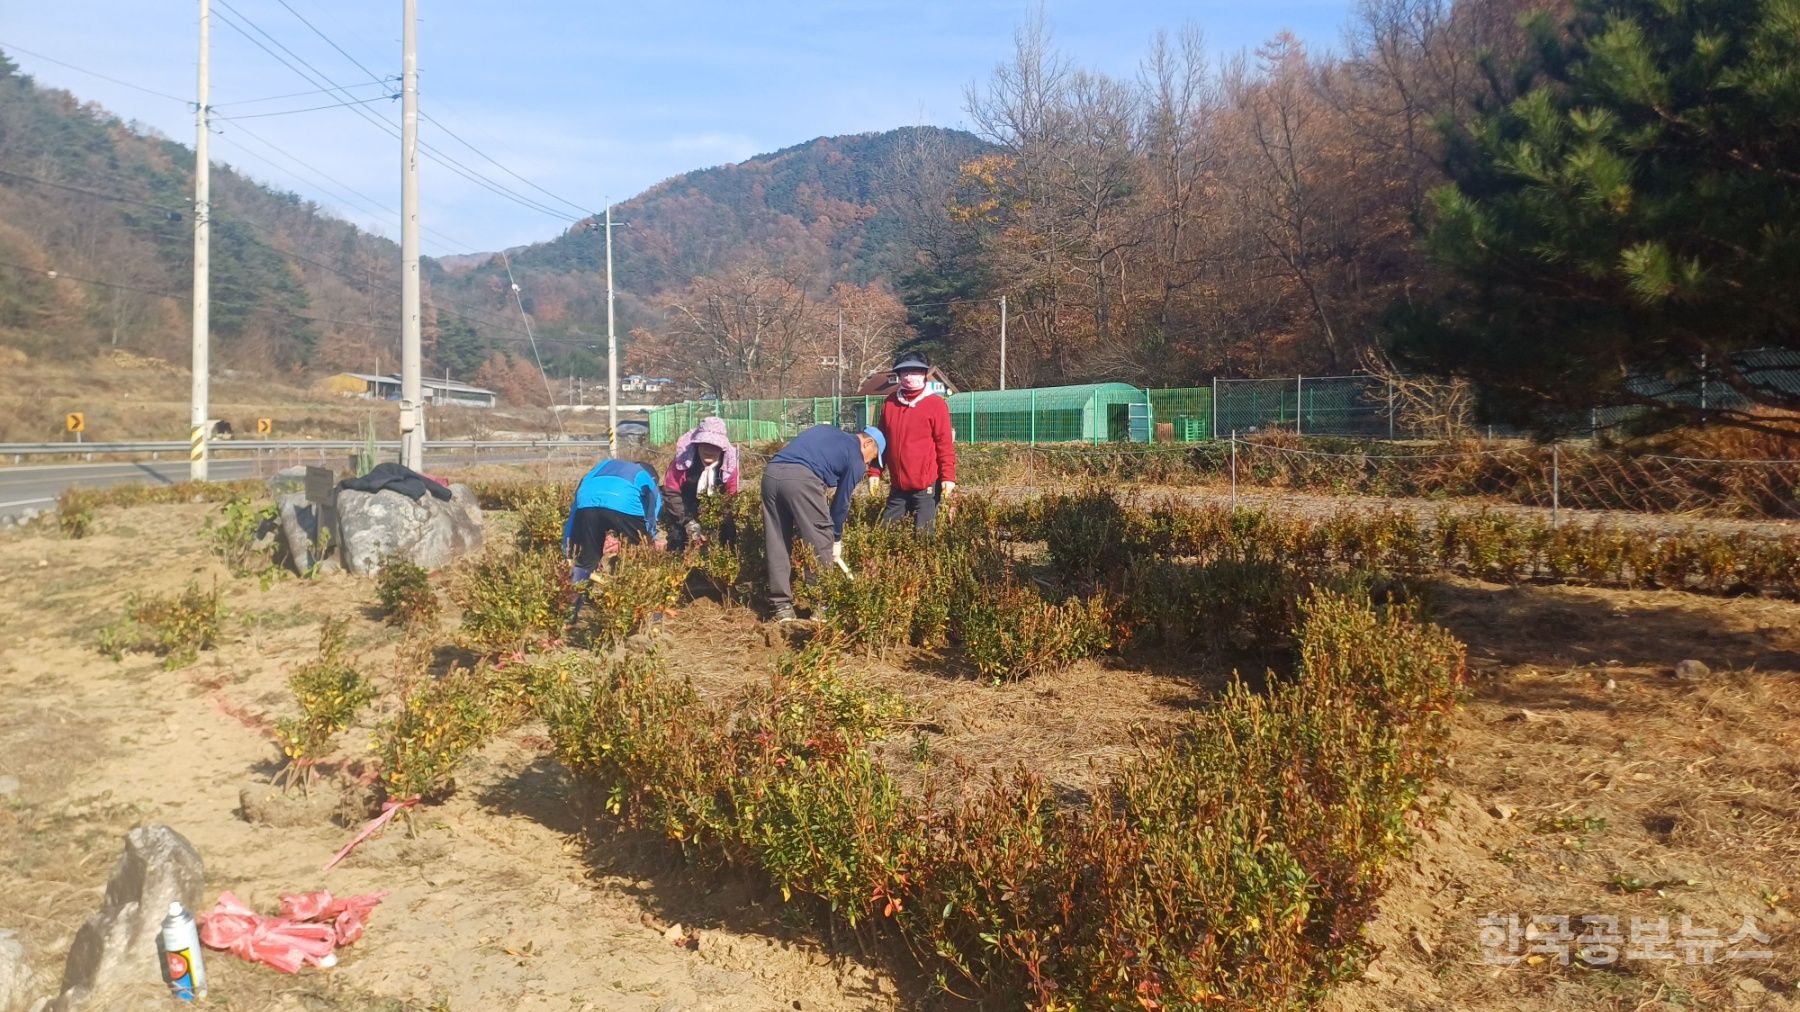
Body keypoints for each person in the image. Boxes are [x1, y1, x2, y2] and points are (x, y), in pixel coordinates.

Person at [762, 424, 885, 622]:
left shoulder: (828, 432)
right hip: (801, 478)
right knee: (820, 538)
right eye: (872, 457)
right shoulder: (856, 458)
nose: (869, 463)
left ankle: (781, 607)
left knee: (776, 539)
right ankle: (822, 607)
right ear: (868, 443)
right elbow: (841, 504)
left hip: (771, 474)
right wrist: (835, 538)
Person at [873, 350, 957, 532]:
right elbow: (881, 441)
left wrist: (948, 477)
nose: (910, 377)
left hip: (925, 486)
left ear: (924, 374)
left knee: (924, 536)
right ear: (899, 375)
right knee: (884, 533)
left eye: (915, 372)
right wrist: (874, 471)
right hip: (898, 486)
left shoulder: (936, 404)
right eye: (905, 372)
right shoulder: (890, 403)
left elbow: (944, 444)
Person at [563, 458, 663, 585]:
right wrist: (649, 538)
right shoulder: (645, 475)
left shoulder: (602, 465)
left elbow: (575, 511)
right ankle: (633, 593)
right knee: (637, 554)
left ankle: (576, 597)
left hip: (587, 503)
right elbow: (654, 510)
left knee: (587, 559)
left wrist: (567, 547)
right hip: (625, 503)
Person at [660, 416, 740, 553]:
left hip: (716, 508)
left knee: (728, 538)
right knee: (677, 540)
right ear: (697, 444)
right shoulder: (683, 461)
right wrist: (688, 522)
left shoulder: (729, 466)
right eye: (705, 444)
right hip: (684, 507)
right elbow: (671, 492)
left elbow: (731, 498)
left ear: (722, 449)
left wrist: (716, 522)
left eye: (715, 446)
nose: (709, 450)